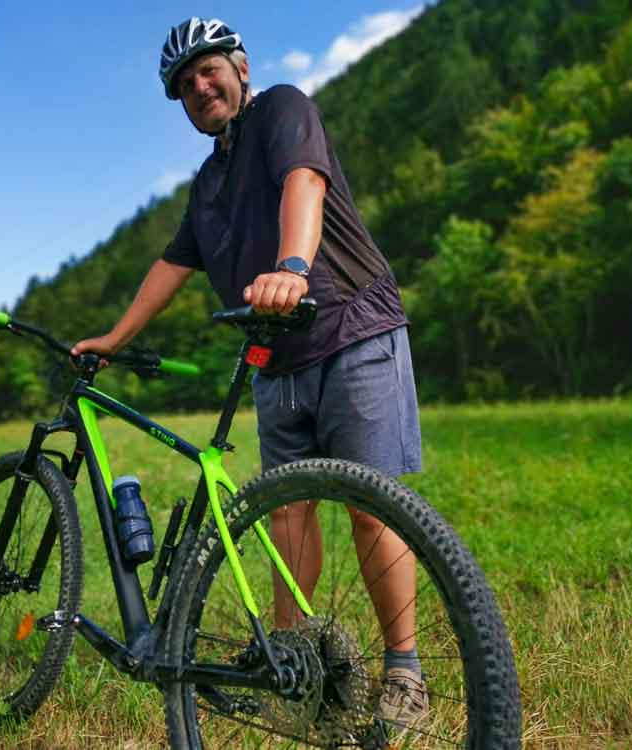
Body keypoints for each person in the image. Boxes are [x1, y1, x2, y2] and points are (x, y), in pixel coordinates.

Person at [72, 17, 427, 727]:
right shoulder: (207, 183)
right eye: (184, 86)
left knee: (370, 507)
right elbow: (173, 265)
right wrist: (114, 338)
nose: (199, 88)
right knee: (286, 516)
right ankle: (293, 661)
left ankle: (405, 672)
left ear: (238, 65)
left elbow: (305, 180)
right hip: (274, 357)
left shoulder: (282, 110)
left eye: (208, 71)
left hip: (351, 329)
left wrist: (293, 266)